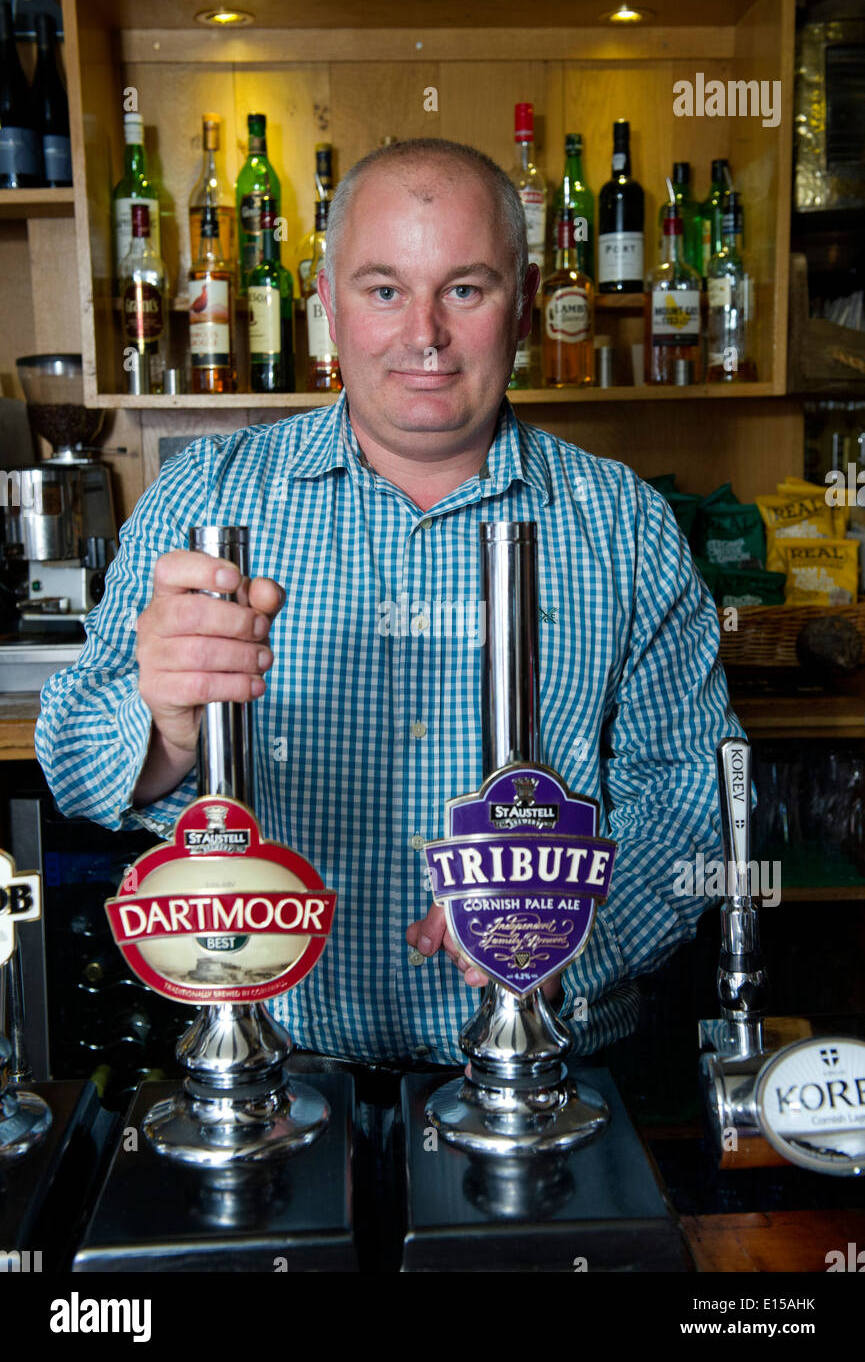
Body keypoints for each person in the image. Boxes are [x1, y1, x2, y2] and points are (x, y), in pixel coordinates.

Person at [36, 137, 743, 1066]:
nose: (424, 336)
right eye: (382, 290)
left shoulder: (624, 523)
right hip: (276, 1068)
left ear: (522, 307)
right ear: (325, 304)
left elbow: (691, 793)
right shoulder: (204, 499)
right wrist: (163, 734)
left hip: (551, 1064)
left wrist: (561, 946)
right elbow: (77, 767)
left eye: (464, 289)